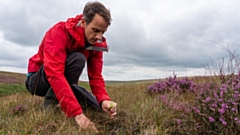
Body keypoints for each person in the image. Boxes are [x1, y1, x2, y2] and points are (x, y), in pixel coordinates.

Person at [25, 1, 117, 132]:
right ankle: (50, 106)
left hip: (63, 81)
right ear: (84, 22)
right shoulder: (59, 32)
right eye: (95, 30)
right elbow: (54, 73)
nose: (99, 37)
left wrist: (104, 100)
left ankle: (71, 100)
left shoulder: (97, 43)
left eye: (102, 32)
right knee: (78, 59)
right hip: (37, 81)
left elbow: (95, 77)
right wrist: (76, 114)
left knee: (96, 106)